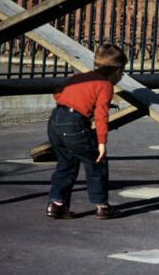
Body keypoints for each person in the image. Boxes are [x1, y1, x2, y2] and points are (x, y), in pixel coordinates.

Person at [46, 43, 127, 220]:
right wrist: (101, 142)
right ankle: (102, 206)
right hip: (75, 124)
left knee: (65, 164)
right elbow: (101, 115)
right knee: (96, 163)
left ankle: (56, 204)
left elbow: (58, 93)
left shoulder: (79, 76)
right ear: (117, 71)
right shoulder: (105, 85)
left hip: (55, 121)